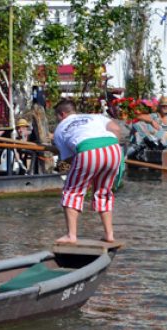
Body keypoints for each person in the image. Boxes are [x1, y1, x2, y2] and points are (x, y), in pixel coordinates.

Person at [52, 99, 123, 244]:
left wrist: (62, 166)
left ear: (62, 114)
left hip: (87, 149)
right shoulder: (95, 117)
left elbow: (70, 159)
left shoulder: (60, 129)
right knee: (104, 192)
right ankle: (109, 235)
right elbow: (116, 129)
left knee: (72, 191)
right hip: (113, 148)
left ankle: (71, 236)